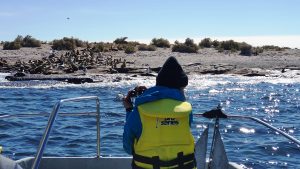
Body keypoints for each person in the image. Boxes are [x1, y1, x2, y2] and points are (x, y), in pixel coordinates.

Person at [123, 56, 196, 169]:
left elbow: (128, 147)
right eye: (183, 89)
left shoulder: (140, 109)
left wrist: (129, 110)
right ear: (180, 88)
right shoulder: (186, 111)